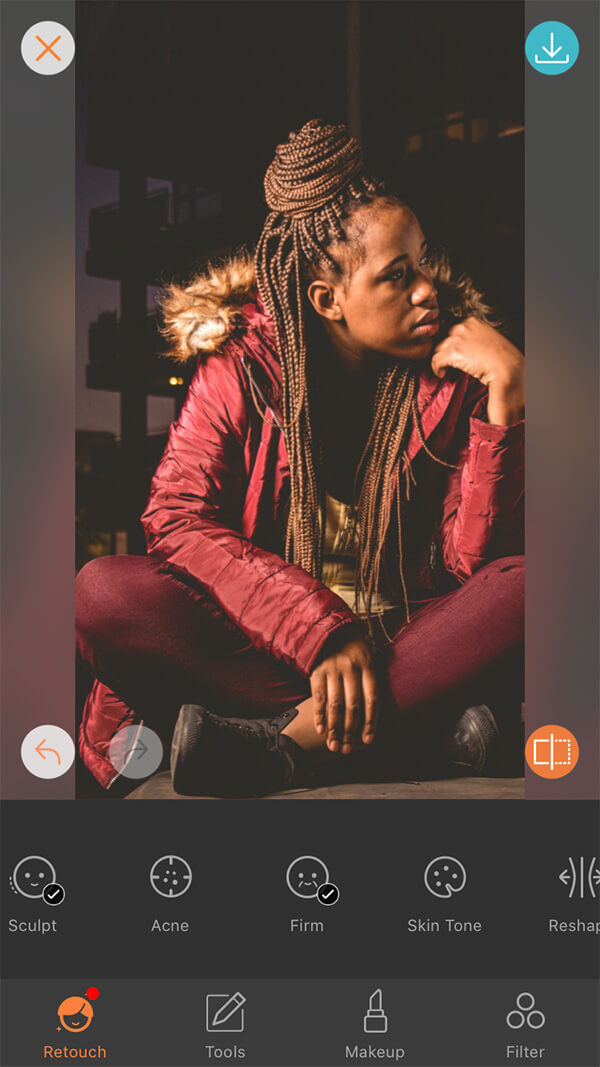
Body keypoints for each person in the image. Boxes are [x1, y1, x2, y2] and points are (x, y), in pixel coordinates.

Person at [76, 119, 524, 797]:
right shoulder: (241, 370)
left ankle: (286, 746)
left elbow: (467, 564)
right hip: (267, 654)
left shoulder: (453, 372)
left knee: (541, 579)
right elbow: (176, 518)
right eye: (397, 277)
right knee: (102, 591)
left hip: (408, 643)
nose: (427, 289)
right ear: (328, 300)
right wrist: (320, 631)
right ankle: (416, 735)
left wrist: (506, 403)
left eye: (424, 263)